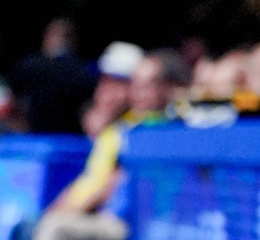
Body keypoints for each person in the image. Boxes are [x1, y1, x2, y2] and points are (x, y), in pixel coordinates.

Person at [12, 47, 193, 240]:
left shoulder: (163, 129)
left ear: (168, 88)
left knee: (53, 227)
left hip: (137, 224)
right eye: (104, 81)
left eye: (118, 82)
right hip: (107, 218)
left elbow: (101, 187)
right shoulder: (118, 130)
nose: (106, 90)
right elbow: (88, 184)